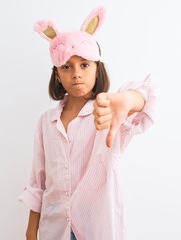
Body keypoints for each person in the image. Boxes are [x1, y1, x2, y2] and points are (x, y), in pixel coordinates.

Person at [18, 6, 156, 240]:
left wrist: (128, 99)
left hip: (96, 228)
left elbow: (149, 95)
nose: (76, 74)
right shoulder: (46, 122)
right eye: (66, 67)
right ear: (57, 74)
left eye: (84, 65)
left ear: (96, 68)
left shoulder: (108, 111)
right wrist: (32, 231)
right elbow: (38, 181)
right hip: (54, 228)